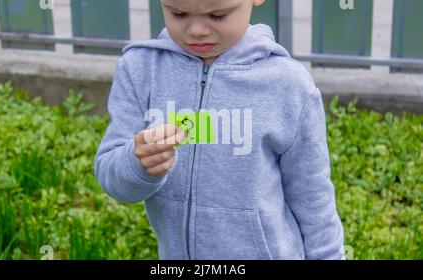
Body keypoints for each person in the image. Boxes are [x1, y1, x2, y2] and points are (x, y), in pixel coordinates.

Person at [94, 0, 345, 260]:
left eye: (218, 15)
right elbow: (112, 177)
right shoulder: (140, 70)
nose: (197, 30)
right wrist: (137, 164)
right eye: (178, 13)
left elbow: (313, 195)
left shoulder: (287, 84)